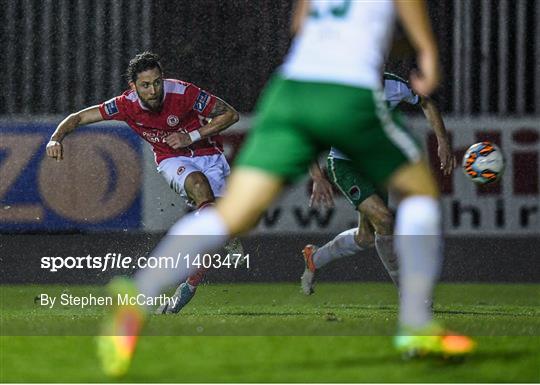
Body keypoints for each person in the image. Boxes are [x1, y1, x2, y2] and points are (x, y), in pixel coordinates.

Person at [98, 0, 474, 377]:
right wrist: (424, 53)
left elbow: (300, 23)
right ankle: (417, 326)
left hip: (294, 90)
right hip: (345, 95)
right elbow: (410, 36)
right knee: (418, 195)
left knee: (234, 214)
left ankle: (135, 300)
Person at [46, 52, 242, 313]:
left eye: (157, 82)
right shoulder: (125, 105)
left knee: (212, 227)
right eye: (146, 85)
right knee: (198, 186)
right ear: (134, 87)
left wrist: (191, 135)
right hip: (171, 159)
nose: (153, 90)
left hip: (209, 155)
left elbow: (230, 115)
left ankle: (188, 286)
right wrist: (55, 138)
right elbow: (79, 118)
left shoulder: (183, 92)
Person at [301, 71, 456, 295]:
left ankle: (314, 258)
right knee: (384, 219)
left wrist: (442, 140)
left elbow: (426, 101)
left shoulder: (394, 85)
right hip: (346, 164)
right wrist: (317, 176)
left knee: (366, 237)